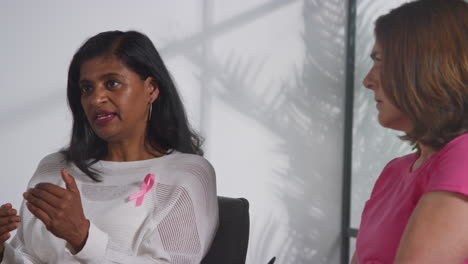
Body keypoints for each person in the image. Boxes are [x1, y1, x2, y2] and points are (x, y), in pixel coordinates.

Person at [0, 30, 218, 263]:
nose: (95, 99)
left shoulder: (185, 174)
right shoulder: (54, 168)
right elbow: (27, 257)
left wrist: (82, 237)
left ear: (151, 89)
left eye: (112, 83)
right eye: (87, 88)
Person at [351, 0, 468, 263]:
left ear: (425, 66)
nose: (367, 81)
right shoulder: (394, 172)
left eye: (379, 60)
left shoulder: (464, 157)